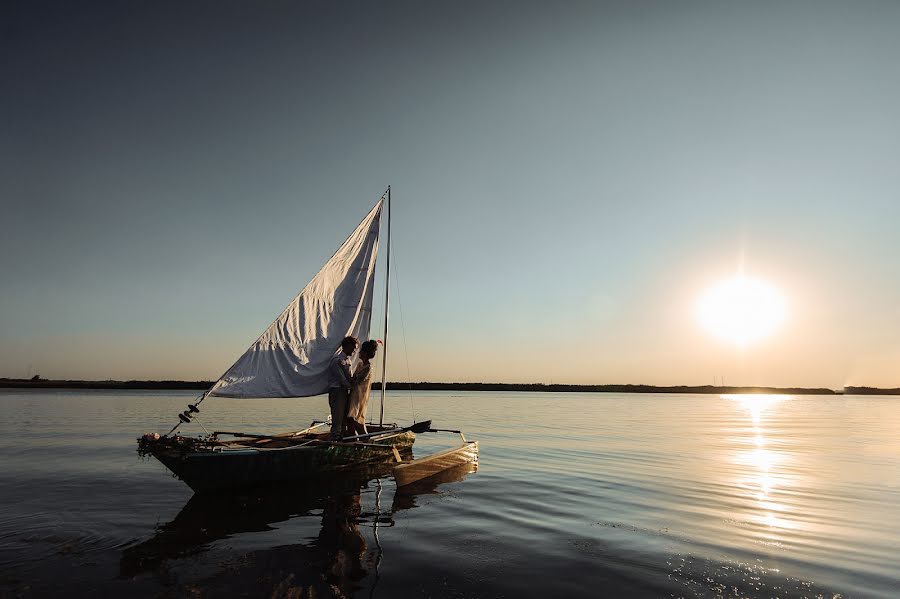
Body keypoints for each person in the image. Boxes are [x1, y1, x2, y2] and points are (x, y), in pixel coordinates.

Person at [345, 340, 378, 437]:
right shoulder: (360, 364)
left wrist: (345, 375)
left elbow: (357, 380)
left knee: (355, 420)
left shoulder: (368, 367)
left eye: (361, 351)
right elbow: (353, 378)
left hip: (359, 397)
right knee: (350, 419)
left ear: (366, 353)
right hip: (354, 394)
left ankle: (365, 439)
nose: (359, 352)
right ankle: (353, 439)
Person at [327, 336, 358, 440]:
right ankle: (334, 440)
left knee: (345, 417)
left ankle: (342, 439)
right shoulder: (337, 360)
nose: (355, 350)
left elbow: (350, 377)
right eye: (354, 347)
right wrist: (352, 386)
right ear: (347, 346)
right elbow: (342, 379)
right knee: (338, 418)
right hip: (337, 392)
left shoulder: (348, 360)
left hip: (345, 392)